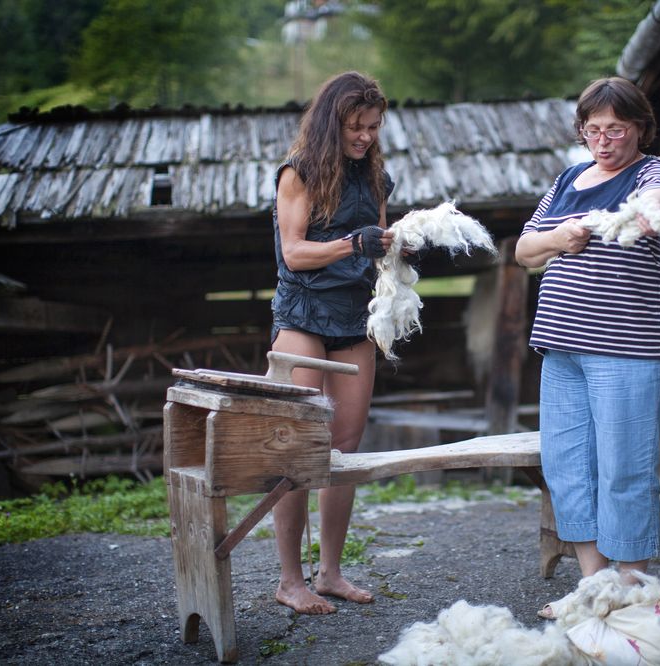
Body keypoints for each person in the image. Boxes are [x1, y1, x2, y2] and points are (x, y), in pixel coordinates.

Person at [514, 77, 660, 619]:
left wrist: (641, 211)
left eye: (617, 129)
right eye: (594, 130)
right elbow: (525, 248)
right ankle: (593, 586)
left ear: (639, 128)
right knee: (569, 466)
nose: (605, 140)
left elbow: (656, 204)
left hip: (630, 350)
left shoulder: (655, 172)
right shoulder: (569, 178)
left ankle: (631, 586)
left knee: (625, 468)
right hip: (562, 349)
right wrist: (562, 236)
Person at [269, 71, 394, 615]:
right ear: (331, 122)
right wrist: (352, 244)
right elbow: (295, 253)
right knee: (299, 449)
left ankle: (331, 573)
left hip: (353, 315)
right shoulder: (298, 173)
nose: (364, 136)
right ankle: (289, 580)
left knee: (344, 446)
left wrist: (400, 250)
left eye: (372, 126)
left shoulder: (374, 177)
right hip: (302, 312)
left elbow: (379, 246)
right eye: (354, 126)